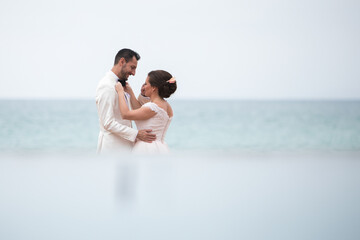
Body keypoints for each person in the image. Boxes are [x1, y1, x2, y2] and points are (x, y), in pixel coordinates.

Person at [96, 48, 156, 154]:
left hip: (126, 150)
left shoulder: (123, 86)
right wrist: (136, 134)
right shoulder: (106, 86)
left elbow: (134, 112)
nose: (133, 73)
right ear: (122, 61)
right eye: (132, 67)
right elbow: (108, 123)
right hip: (112, 150)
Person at [115, 70, 177, 154]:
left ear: (154, 87)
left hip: (147, 147)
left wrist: (120, 92)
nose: (144, 87)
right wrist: (130, 91)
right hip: (160, 147)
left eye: (146, 83)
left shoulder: (152, 107)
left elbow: (125, 114)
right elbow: (141, 112)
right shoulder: (165, 105)